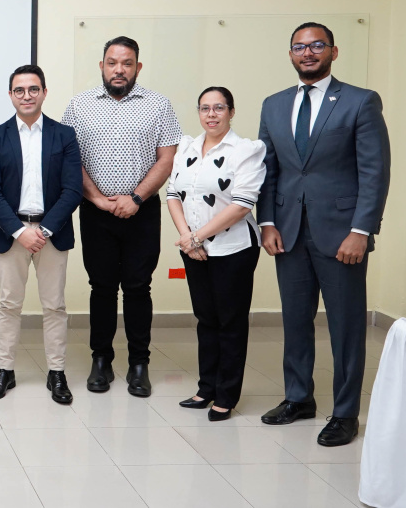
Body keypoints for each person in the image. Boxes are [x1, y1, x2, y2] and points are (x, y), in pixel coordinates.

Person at [257, 22, 390, 447]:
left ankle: (346, 413)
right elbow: (268, 170)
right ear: (290, 54)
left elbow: (374, 172)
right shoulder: (274, 105)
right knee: (295, 321)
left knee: (346, 328)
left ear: (333, 51)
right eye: (299, 47)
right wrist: (267, 222)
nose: (308, 53)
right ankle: (298, 398)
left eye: (317, 45)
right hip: (288, 232)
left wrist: (361, 230)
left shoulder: (359, 101)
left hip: (342, 235)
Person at [61, 37, 181, 397]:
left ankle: (139, 364)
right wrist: (97, 199)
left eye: (127, 63)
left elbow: (167, 159)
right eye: (112, 62)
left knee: (138, 287)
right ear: (101, 66)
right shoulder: (79, 106)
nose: (119, 70)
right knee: (101, 287)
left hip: (142, 212)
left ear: (137, 67)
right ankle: (101, 360)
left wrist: (136, 198)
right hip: (95, 212)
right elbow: (70, 159)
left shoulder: (158, 105)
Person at [0, 65, 83, 403]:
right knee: (9, 304)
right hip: (11, 232)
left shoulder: (64, 135)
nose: (27, 95)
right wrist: (19, 231)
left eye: (33, 89)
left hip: (52, 232)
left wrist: (44, 229)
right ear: (11, 95)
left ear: (44, 92)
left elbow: (72, 189)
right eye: (20, 90)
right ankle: (4, 370)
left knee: (54, 305)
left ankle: (57, 372)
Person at [165, 87, 265, 421]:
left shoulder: (246, 150)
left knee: (230, 322)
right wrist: (187, 237)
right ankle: (206, 387)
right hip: (193, 249)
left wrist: (197, 237)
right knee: (206, 319)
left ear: (231, 112)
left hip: (233, 248)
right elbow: (173, 194)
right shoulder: (187, 147)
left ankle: (226, 395)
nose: (211, 114)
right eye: (205, 108)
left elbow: (242, 204)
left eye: (219, 108)